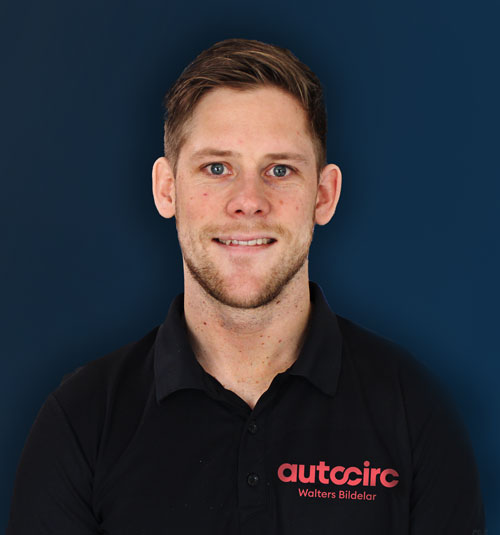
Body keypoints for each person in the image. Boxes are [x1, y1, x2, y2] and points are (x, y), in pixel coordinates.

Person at [7, 38, 486, 534]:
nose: (248, 200)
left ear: (324, 196)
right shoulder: (82, 421)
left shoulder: (415, 413)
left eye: (279, 170)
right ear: (167, 189)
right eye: (217, 168)